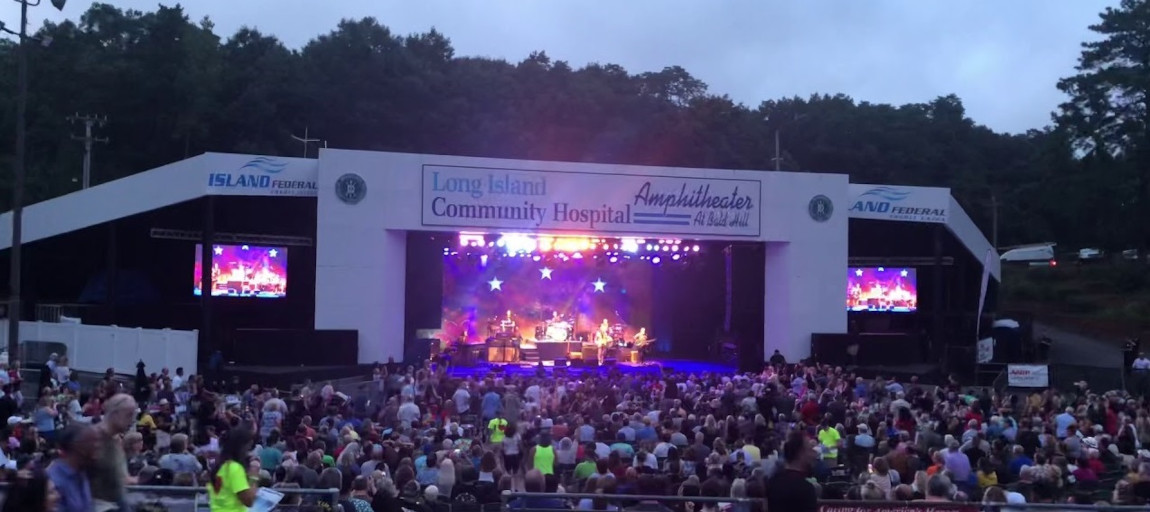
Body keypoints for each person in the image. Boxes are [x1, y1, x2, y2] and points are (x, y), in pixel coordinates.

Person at [89, 393, 137, 512]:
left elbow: (122, 478)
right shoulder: (91, 439)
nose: (132, 420)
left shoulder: (116, 441)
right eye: (129, 415)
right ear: (115, 414)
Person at [47, 423, 98, 512]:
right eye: (92, 442)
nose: (97, 446)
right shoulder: (53, 481)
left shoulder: (81, 471)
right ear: (77, 446)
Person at [765, 431, 817, 512]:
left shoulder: (771, 483)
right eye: (810, 450)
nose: (814, 455)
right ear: (801, 453)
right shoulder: (806, 489)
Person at [207, 426, 256, 512]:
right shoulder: (235, 468)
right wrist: (254, 476)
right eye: (248, 446)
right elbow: (249, 501)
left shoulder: (219, 466)